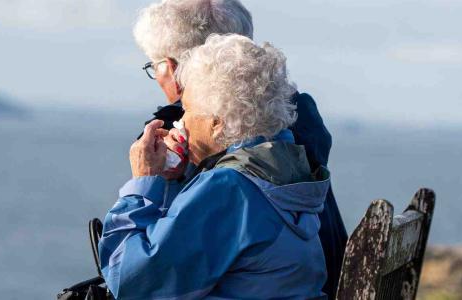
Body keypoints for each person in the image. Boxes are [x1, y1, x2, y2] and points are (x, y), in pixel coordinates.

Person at [132, 0, 348, 297]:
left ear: (171, 68)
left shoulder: (214, 153)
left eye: (153, 66)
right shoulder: (294, 118)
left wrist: (150, 183)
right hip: (328, 274)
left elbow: (149, 275)